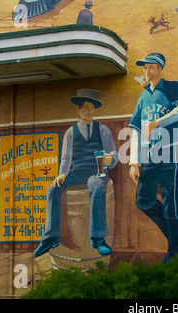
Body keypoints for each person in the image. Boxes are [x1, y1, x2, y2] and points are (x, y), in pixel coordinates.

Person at [34, 89, 118, 258]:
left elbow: (114, 154)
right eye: (86, 108)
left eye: (92, 109)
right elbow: (66, 156)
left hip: (97, 171)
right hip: (78, 171)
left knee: (96, 186)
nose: (90, 112)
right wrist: (62, 173)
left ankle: (98, 238)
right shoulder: (71, 132)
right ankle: (51, 238)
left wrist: (111, 159)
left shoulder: (103, 130)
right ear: (78, 110)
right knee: (52, 189)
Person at [128, 53, 178, 262]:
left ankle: (175, 251)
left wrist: (159, 122)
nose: (146, 72)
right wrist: (133, 161)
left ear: (159, 68)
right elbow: (137, 128)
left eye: (150, 67)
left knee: (171, 204)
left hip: (169, 150)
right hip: (149, 153)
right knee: (143, 201)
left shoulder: (172, 86)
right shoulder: (143, 95)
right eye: (144, 68)